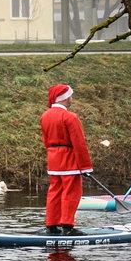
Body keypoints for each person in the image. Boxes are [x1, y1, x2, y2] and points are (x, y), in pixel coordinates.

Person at [40, 82, 91, 235]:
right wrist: (86, 166)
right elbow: (79, 143)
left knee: (54, 191)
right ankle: (67, 226)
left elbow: (46, 140)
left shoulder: (45, 115)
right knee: (71, 192)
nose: (71, 99)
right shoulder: (70, 116)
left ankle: (51, 225)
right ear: (64, 98)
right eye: (70, 96)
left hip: (53, 159)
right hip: (69, 159)